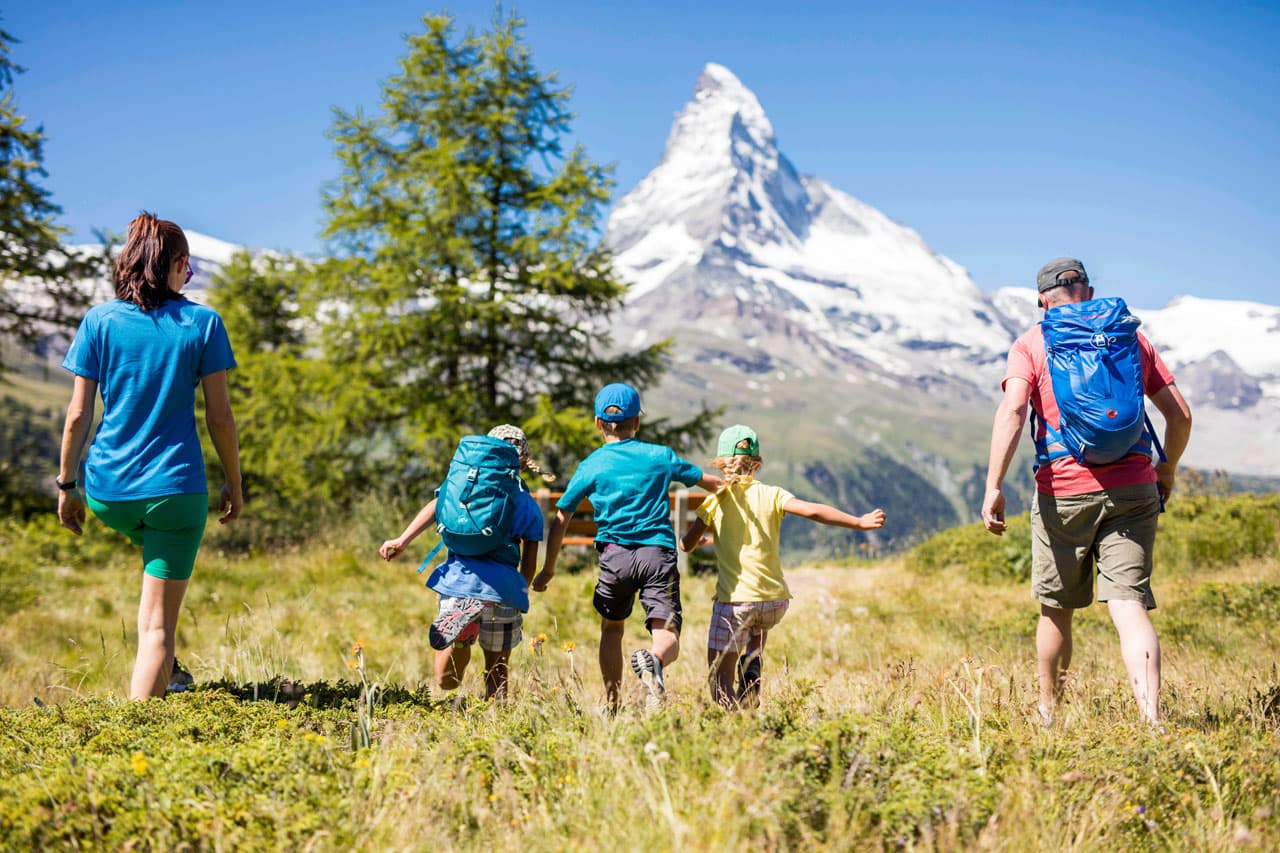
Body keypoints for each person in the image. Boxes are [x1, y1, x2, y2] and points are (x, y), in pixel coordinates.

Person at [981, 258, 1192, 725]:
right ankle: (1152, 720)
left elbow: (1013, 411)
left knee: (1056, 610)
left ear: (1042, 300)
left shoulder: (1031, 343)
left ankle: (1049, 714)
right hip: (1134, 488)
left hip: (1063, 493)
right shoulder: (1130, 338)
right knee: (1129, 605)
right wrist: (1167, 469)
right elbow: (1180, 416)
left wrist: (994, 485)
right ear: (1090, 292)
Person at [58, 212, 242, 700]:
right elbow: (220, 418)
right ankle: (144, 725)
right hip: (176, 492)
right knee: (158, 629)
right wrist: (234, 482)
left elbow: (77, 416)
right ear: (177, 265)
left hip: (107, 492)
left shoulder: (99, 321)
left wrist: (67, 486)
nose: (190, 277)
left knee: (150, 571)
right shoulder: (203, 323)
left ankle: (169, 675)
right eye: (188, 268)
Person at [533, 382, 721, 712]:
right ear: (637, 422)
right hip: (657, 555)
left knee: (611, 629)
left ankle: (612, 703)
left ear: (598, 423)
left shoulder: (591, 464)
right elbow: (714, 485)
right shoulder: (660, 456)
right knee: (666, 631)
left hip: (614, 557)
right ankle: (655, 660)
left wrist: (548, 569)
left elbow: (561, 517)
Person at [679, 425, 886, 708]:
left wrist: (695, 540)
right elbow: (812, 510)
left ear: (720, 464)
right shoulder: (773, 494)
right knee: (756, 622)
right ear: (757, 464)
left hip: (735, 602)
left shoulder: (715, 501)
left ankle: (736, 723)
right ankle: (752, 664)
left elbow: (686, 545)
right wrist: (859, 522)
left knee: (719, 682)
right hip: (774, 602)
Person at [379, 425, 547, 702]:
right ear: (523, 460)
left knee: (446, 682)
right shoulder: (525, 502)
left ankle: (460, 638)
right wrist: (521, 590)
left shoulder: (461, 487)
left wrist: (402, 540)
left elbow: (436, 506)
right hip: (502, 589)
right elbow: (529, 562)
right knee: (497, 668)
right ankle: (495, 718)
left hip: (458, 581)